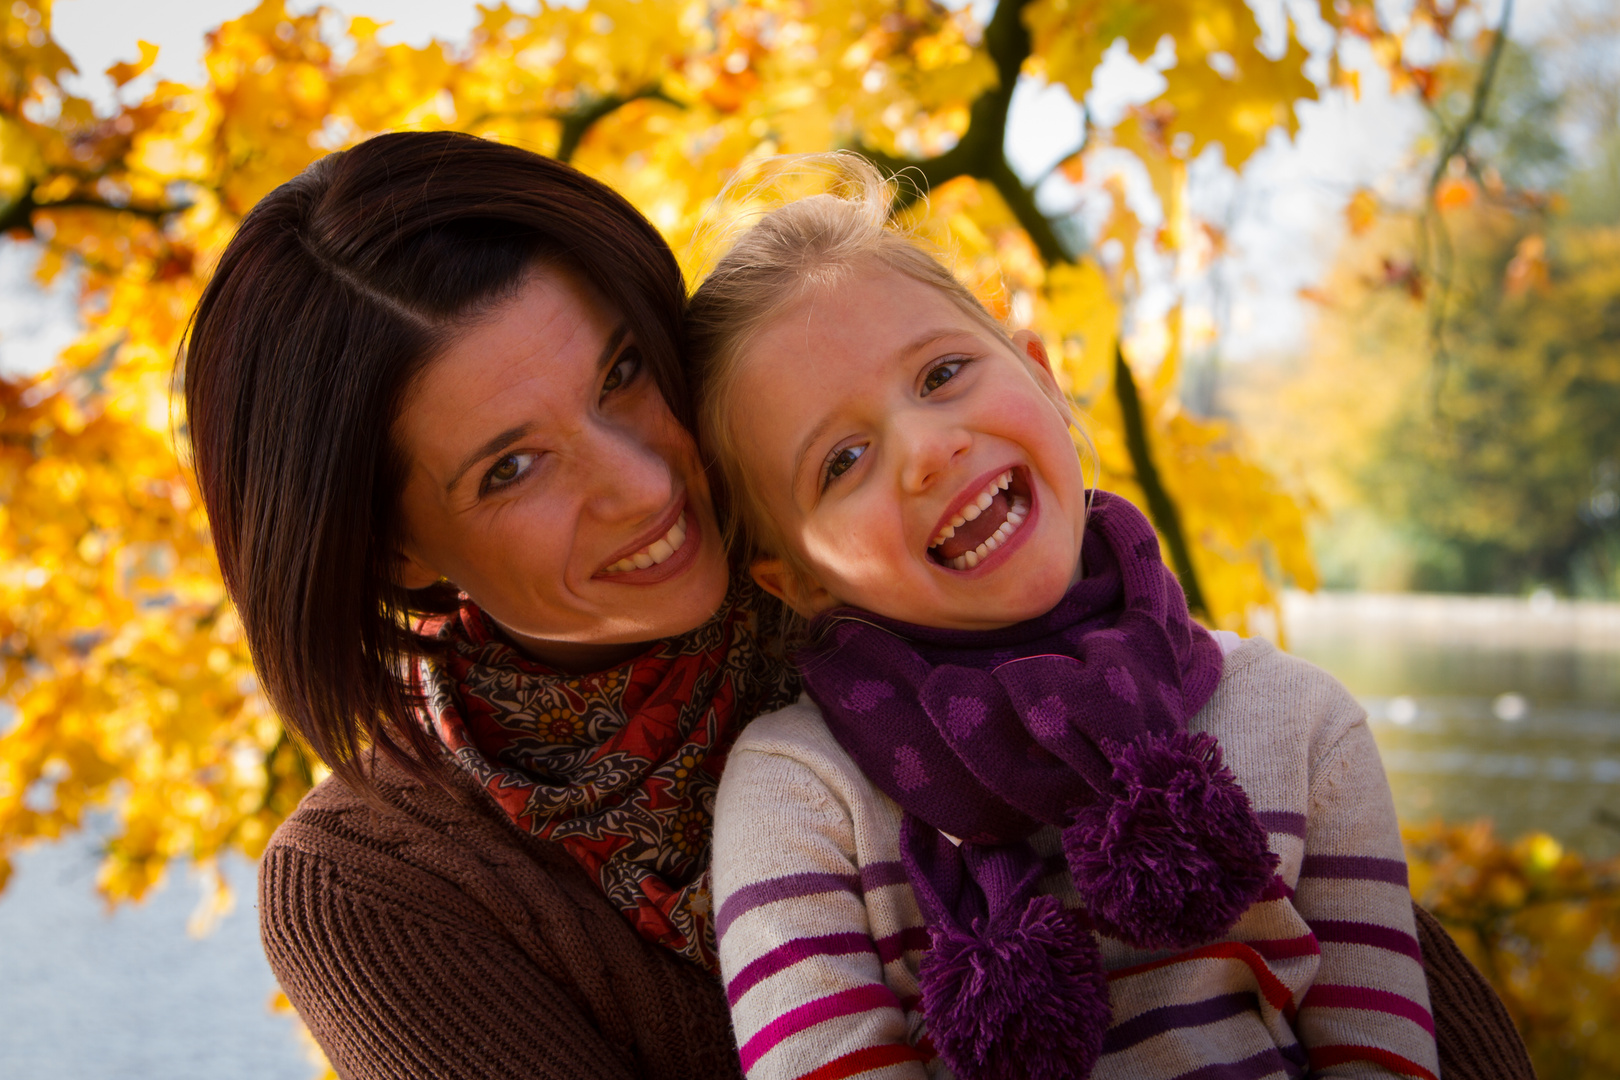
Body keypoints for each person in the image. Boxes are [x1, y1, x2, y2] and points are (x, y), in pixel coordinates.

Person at [691, 162, 1442, 1080]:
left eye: (942, 373)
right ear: (797, 579)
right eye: (842, 460)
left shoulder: (1300, 722)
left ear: (1043, 377)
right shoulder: (800, 794)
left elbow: (1385, 1056)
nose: (930, 450)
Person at [182, 130, 797, 1080]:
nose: (639, 486)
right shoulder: (383, 886)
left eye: (621, 373)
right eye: (510, 469)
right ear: (394, 552)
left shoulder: (889, 565)